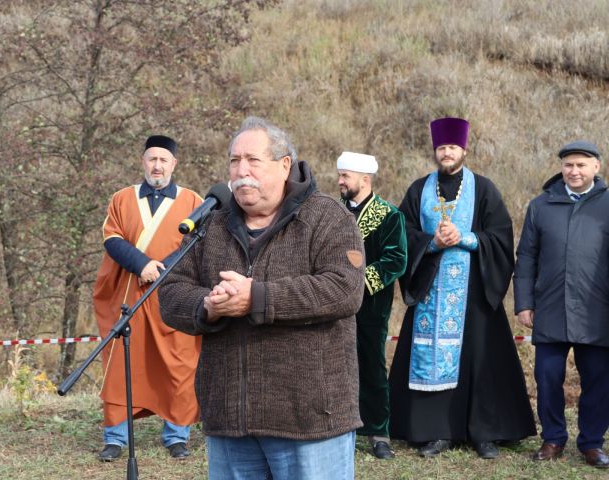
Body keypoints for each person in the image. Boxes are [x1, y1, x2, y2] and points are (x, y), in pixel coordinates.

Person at [158, 116, 365, 479]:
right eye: (234, 161)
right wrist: (206, 305)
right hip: (230, 420)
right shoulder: (211, 224)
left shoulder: (328, 217)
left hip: (309, 421)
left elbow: (344, 289)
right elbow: (171, 291)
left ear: (284, 165)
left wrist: (258, 298)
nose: (241, 171)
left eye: (253, 160)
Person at [388, 117, 536, 459]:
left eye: (452, 147)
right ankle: (436, 431)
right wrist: (433, 243)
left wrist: (467, 238)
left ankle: (484, 433)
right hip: (429, 291)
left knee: (480, 359)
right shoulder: (418, 189)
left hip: (473, 293)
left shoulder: (483, 188)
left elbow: (500, 235)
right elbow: (403, 234)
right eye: (441, 148)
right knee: (430, 355)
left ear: (463, 150)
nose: (446, 153)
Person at [92, 135, 203, 461]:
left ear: (173, 164)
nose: (157, 165)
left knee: (178, 363)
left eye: (163, 160)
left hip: (172, 294)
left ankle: (176, 435)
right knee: (121, 364)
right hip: (130, 294)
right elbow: (111, 238)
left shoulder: (192, 201)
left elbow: (196, 243)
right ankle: (115, 437)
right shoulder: (122, 199)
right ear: (143, 161)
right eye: (152, 159)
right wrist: (142, 265)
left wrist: (162, 268)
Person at [514, 140, 609, 468]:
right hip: (551, 308)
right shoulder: (541, 205)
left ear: (597, 166)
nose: (574, 171)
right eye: (568, 164)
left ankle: (592, 443)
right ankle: (553, 438)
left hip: (598, 310)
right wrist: (524, 302)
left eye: (582, 164)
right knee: (547, 376)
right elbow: (526, 256)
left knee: (599, 379)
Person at [336, 151, 407, 459]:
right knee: (337, 366)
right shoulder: (331, 213)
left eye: (345, 176)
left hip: (371, 306)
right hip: (333, 304)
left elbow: (396, 259)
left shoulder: (390, 215)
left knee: (372, 365)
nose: (339, 181)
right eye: (339, 175)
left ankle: (379, 432)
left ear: (364, 180)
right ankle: (341, 429)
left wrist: (357, 282)